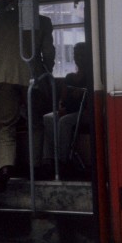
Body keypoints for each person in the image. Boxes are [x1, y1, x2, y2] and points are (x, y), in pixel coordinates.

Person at [0, 0, 54, 191]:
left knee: (6, 125)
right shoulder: (43, 22)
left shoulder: (0, 19)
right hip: (32, 76)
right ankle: (34, 167)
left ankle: (4, 168)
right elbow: (48, 53)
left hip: (1, 76)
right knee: (35, 123)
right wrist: (47, 71)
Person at [40, 42, 92, 179]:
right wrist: (61, 107)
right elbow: (63, 98)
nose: (78, 58)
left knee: (64, 122)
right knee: (48, 118)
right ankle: (48, 159)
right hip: (70, 110)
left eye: (82, 55)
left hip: (85, 113)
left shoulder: (92, 77)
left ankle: (62, 160)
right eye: (76, 55)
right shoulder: (69, 77)